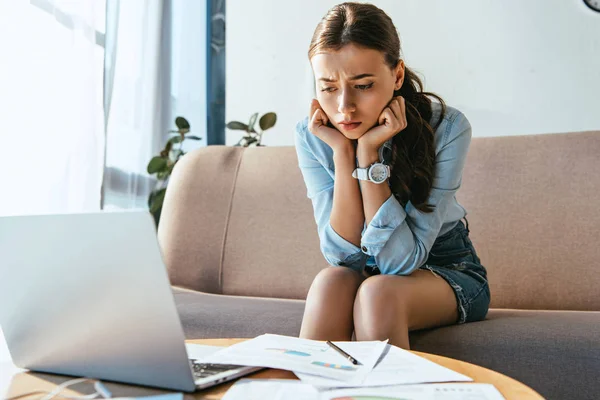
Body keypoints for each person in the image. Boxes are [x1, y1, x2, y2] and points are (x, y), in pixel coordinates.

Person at [294, 2, 490, 350]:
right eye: (327, 87)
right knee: (330, 283)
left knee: (377, 293)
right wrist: (343, 155)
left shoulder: (446, 128)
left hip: (448, 269)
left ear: (397, 75)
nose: (344, 108)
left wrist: (368, 157)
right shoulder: (314, 135)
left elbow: (400, 262)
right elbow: (344, 257)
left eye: (363, 85)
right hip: (369, 272)